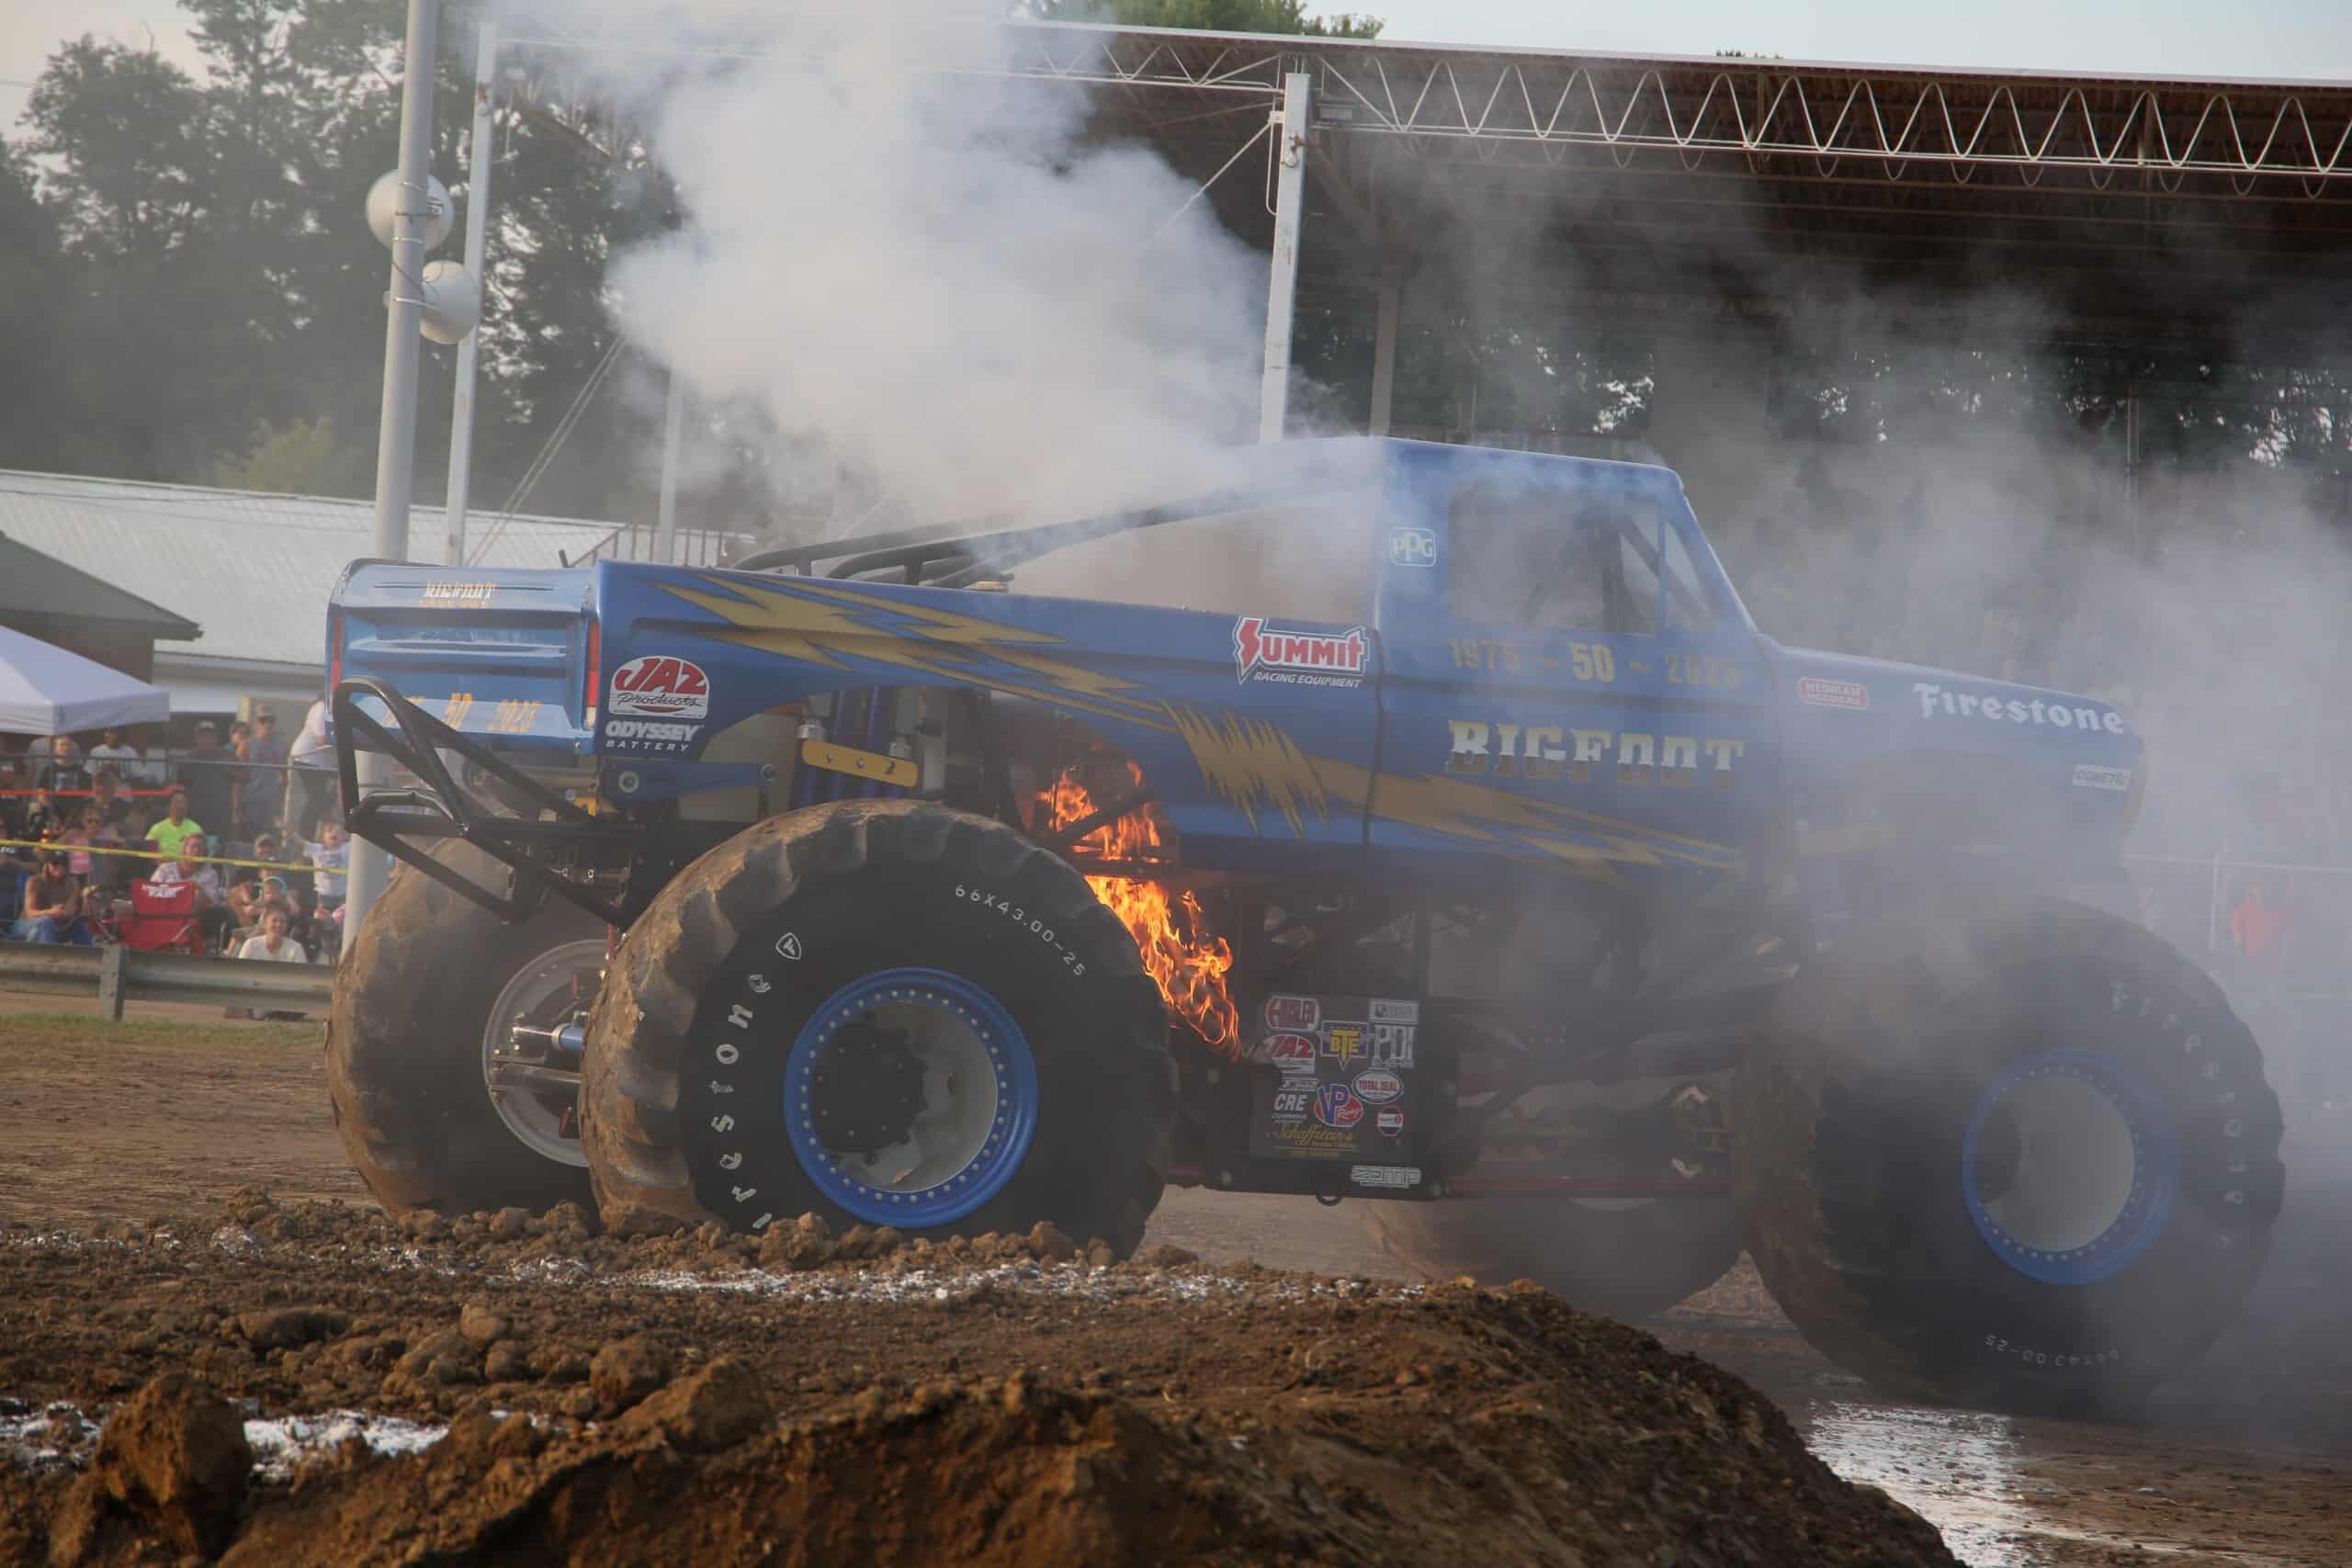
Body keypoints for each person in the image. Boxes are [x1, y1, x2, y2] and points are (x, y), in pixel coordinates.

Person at [151, 832, 233, 950]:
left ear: (205, 852)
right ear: (184, 849)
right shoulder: (165, 869)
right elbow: (151, 891)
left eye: (201, 848)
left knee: (202, 898)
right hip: (163, 909)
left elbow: (212, 901)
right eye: (193, 846)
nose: (197, 850)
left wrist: (194, 887)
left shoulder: (210, 874)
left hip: (193, 916)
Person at [13, 852, 89, 944]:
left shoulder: (72, 884)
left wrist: (62, 912)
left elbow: (70, 912)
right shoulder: (35, 881)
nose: (59, 867)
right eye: (55, 863)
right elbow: (30, 913)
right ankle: (50, 957)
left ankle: (85, 957)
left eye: (63, 864)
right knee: (47, 922)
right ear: (47, 865)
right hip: (25, 924)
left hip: (57, 926)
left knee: (79, 923)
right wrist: (50, 912)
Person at [287, 698, 336, 840]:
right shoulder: (321, 708)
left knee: (345, 783)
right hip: (307, 758)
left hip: (326, 762)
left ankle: (325, 813)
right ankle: (305, 834)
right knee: (315, 798)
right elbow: (322, 738)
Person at [178, 721, 234, 836]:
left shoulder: (227, 755)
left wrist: (230, 769)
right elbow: (178, 786)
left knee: (220, 847)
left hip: (220, 813)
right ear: (196, 738)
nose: (207, 739)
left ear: (216, 737)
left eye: (210, 735)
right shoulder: (187, 758)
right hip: (194, 813)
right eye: (203, 736)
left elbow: (246, 777)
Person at [235, 902, 308, 964]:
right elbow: (240, 974)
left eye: (282, 921)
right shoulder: (251, 945)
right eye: (274, 920)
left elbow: (302, 977)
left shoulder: (296, 949)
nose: (278, 925)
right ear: (265, 923)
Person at [145, 789, 206, 859]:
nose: (180, 806)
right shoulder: (157, 828)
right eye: (176, 802)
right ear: (168, 806)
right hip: (164, 867)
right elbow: (153, 856)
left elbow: (200, 855)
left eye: (183, 802)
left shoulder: (196, 829)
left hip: (188, 867)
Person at [307, 820, 349, 913]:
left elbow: (361, 839)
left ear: (344, 836)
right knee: (322, 920)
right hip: (324, 895)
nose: (334, 833)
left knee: (341, 921)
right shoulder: (317, 849)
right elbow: (299, 842)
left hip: (342, 895)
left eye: (338, 832)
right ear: (323, 837)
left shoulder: (347, 848)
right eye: (330, 831)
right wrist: (288, 831)